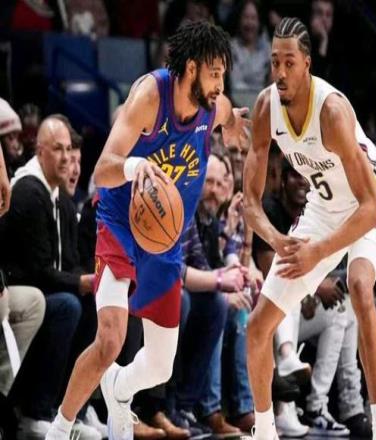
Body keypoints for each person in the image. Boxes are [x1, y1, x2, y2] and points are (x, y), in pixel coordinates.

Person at [45, 20, 249, 440]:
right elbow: (102, 170)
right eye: (214, 74)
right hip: (121, 223)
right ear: (191, 68)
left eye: (223, 75)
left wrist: (232, 125)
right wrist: (135, 165)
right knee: (110, 340)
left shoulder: (213, 105)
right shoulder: (149, 96)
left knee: (160, 366)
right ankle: (59, 430)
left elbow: (227, 111)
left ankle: (119, 389)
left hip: (164, 239)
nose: (220, 84)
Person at [243, 17, 376, 440]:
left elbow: (370, 209)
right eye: (274, 62)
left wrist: (319, 252)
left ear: (306, 63)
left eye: (289, 62)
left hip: (368, 204)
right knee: (257, 327)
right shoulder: (265, 108)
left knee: (361, 287)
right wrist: (278, 240)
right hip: (323, 209)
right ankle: (265, 431)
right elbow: (251, 203)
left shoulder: (332, 111)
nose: (280, 72)